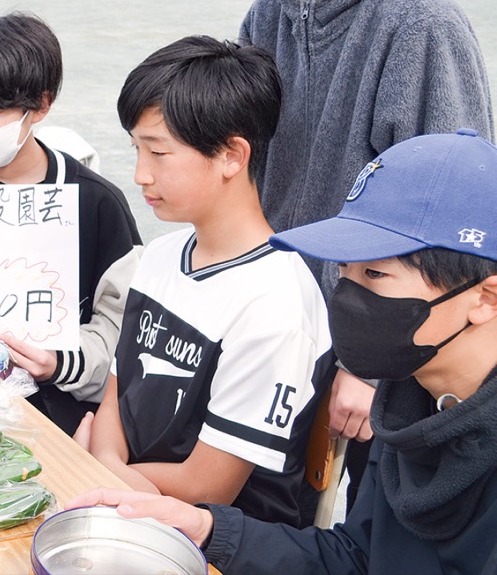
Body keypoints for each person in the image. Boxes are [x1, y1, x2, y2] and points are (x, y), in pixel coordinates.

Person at [170, 0, 494, 513]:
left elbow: (451, 221)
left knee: (371, 525)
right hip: (283, 323)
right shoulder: (270, 13)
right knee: (268, 518)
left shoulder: (418, 22)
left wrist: (370, 368)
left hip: (382, 342)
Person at [69, 129, 497, 573]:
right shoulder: (407, 402)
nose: (348, 298)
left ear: (484, 298)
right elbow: (354, 556)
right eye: (344, 271)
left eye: (374, 273)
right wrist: (206, 529)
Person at [75, 37, 334, 527]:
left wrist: (102, 471)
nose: (139, 175)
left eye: (158, 153)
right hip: (125, 500)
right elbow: (116, 392)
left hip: (220, 540)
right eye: (136, 149)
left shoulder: (274, 303)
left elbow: (209, 486)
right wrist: (106, 465)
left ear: (233, 156)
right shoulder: (160, 255)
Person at [0, 13, 141, 435]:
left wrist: (58, 362)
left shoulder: (95, 203)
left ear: (40, 104)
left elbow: (123, 328)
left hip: (60, 420)